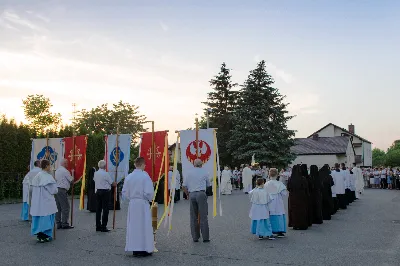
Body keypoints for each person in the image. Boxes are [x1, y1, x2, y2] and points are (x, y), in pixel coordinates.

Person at [122, 157, 154, 257]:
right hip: (142, 204)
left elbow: (124, 192)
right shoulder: (145, 176)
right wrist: (149, 199)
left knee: (134, 227)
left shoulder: (129, 177)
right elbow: (149, 192)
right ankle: (144, 248)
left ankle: (134, 249)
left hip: (133, 204)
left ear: (135, 164)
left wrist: (132, 198)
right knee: (144, 226)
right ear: (142, 164)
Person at [182, 159, 210, 243]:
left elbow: (184, 186)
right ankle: (205, 237)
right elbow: (208, 185)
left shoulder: (189, 172)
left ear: (193, 164)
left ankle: (195, 237)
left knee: (193, 216)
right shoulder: (205, 172)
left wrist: (187, 194)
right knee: (203, 216)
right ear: (201, 164)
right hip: (201, 193)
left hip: (192, 194)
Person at [30, 159, 58, 243]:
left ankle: (40, 235)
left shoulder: (38, 175)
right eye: (49, 165)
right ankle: (45, 235)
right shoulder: (47, 177)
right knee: (46, 218)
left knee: (39, 218)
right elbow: (53, 191)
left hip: (38, 202)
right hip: (46, 202)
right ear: (46, 166)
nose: (50, 167)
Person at [94, 160, 116, 232]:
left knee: (98, 209)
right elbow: (112, 183)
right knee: (105, 209)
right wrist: (115, 183)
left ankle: (98, 226)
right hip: (105, 192)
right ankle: (104, 226)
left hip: (98, 191)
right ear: (105, 166)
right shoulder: (106, 174)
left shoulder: (95, 173)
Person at [264, 168, 287, 238]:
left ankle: (269, 230)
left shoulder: (266, 184)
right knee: (279, 214)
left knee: (270, 215)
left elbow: (264, 193)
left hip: (269, 201)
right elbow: (284, 193)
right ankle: (280, 231)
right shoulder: (280, 184)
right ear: (277, 175)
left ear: (269, 175)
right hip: (278, 202)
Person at [287, 165, 309, 230]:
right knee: (302, 210)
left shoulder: (290, 178)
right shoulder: (303, 178)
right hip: (301, 196)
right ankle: (302, 224)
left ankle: (295, 224)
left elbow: (288, 188)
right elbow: (306, 187)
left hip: (293, 196)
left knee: (294, 210)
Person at [54, 159, 74, 229]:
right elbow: (71, 180)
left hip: (56, 189)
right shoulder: (65, 171)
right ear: (64, 164)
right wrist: (73, 173)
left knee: (58, 207)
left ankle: (58, 223)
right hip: (62, 190)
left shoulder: (57, 170)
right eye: (67, 163)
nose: (67, 164)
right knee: (65, 207)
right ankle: (65, 223)